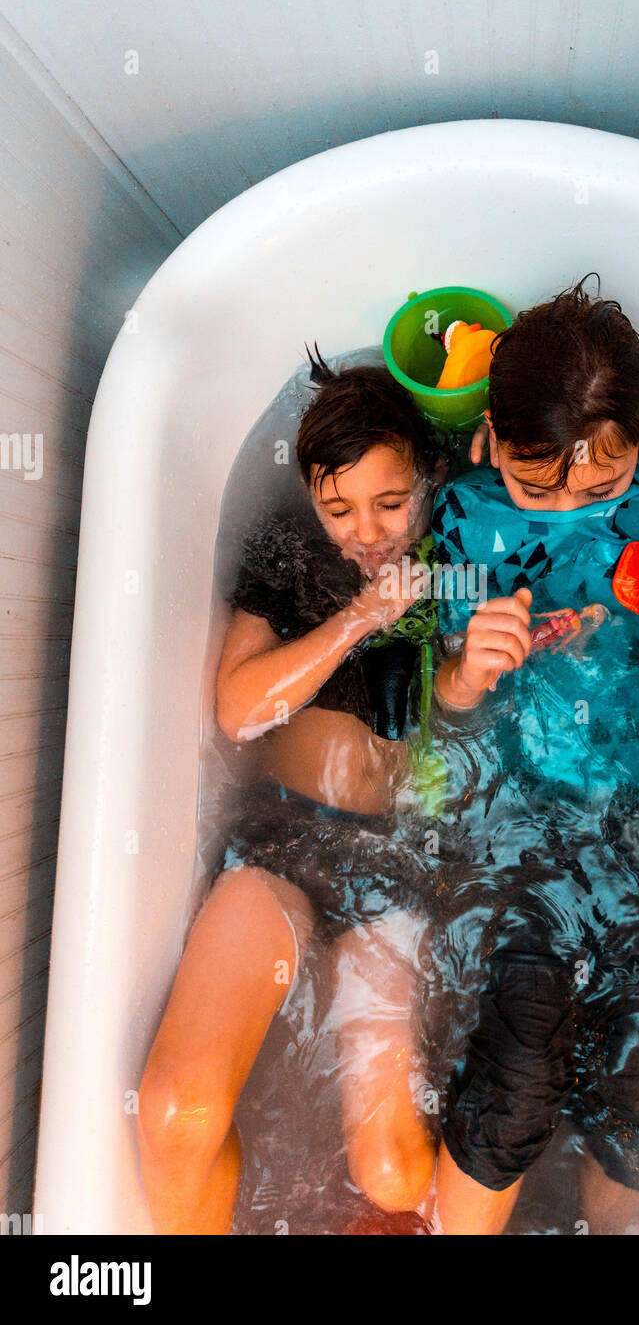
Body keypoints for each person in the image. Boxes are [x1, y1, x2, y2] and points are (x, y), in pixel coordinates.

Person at [428, 277, 639, 1234]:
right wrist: (471, 675)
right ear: (490, 433)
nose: (568, 504)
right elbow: (444, 705)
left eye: (600, 487)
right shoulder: (469, 517)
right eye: (537, 485)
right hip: (524, 810)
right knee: (517, 1076)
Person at [137, 351, 451, 1233]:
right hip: (282, 841)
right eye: (339, 507)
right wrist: (358, 618)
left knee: (392, 1176)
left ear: (430, 475)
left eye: (392, 503)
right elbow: (237, 711)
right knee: (175, 1113)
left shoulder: (465, 539)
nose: (368, 531)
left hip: (398, 870)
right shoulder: (291, 551)